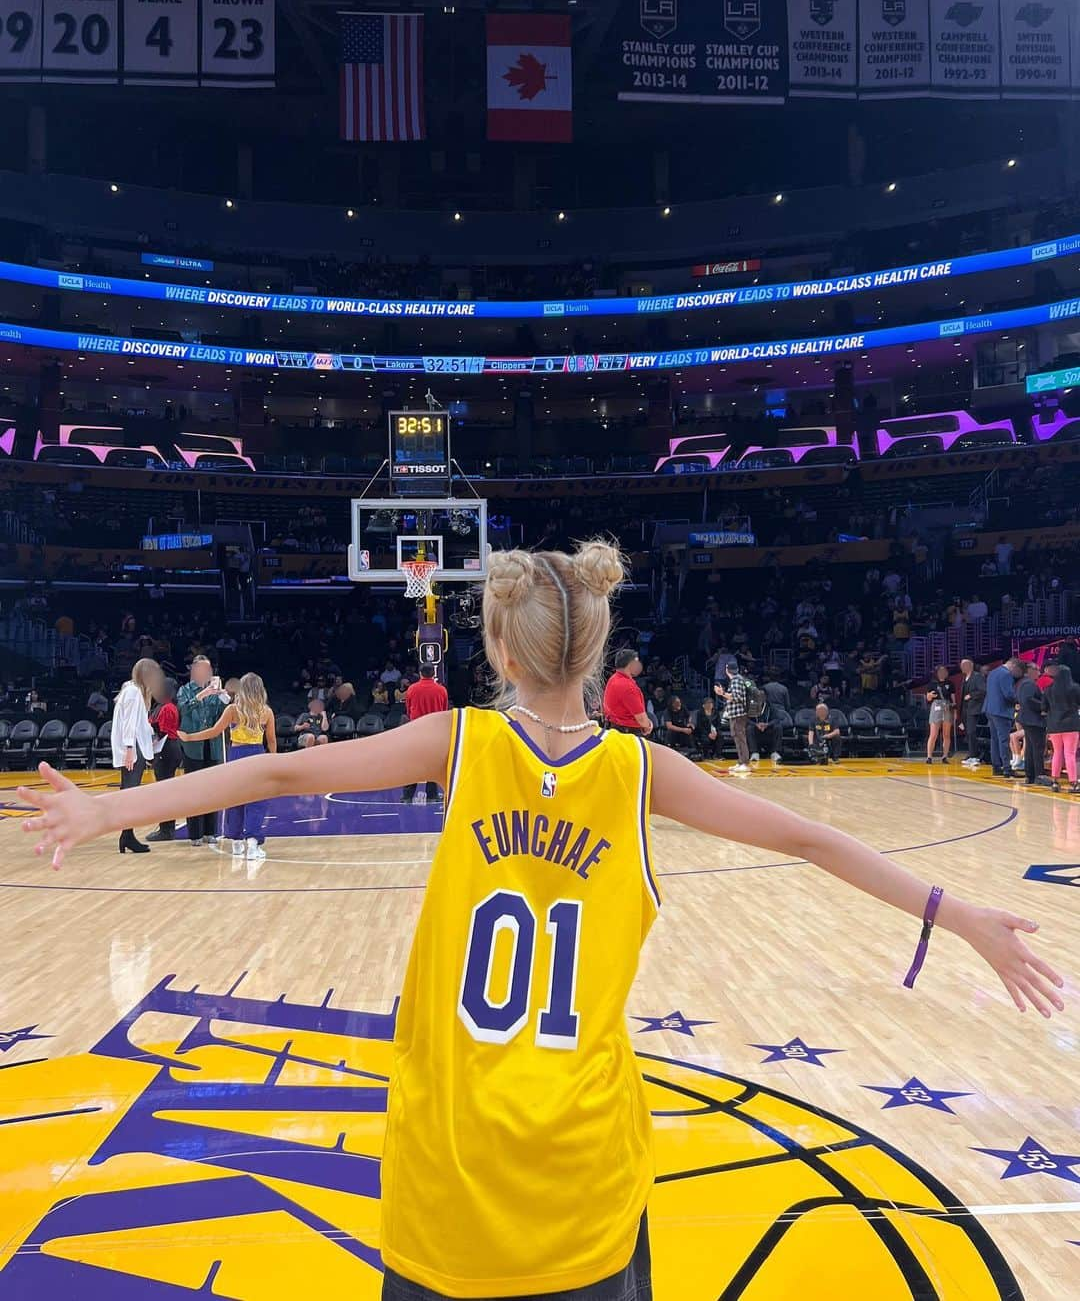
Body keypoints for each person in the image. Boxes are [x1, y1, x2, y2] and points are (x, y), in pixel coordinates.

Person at [17, 540, 1066, 1301]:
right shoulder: (643, 771)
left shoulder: (462, 745)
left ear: (501, 656)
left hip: (448, 1181)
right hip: (588, 1186)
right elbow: (811, 840)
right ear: (597, 650)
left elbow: (279, 764)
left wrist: (111, 806)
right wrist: (956, 912)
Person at [179, 672, 277, 860]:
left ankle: (237, 842)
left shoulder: (233, 709)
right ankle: (253, 844)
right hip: (257, 756)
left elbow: (214, 731)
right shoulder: (266, 712)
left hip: (236, 757)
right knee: (257, 802)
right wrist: (273, 761)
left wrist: (190, 737)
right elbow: (271, 741)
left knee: (235, 800)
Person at [111, 658, 165, 854]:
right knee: (130, 793)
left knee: (129, 793)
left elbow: (138, 723)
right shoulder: (134, 692)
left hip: (134, 747)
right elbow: (129, 724)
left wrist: (150, 735)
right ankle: (127, 836)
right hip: (132, 750)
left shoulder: (131, 689)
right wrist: (129, 749)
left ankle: (127, 835)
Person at [177, 656, 229, 846]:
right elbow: (183, 710)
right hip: (193, 747)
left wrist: (223, 695)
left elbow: (224, 712)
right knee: (194, 790)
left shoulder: (214, 691)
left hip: (212, 745)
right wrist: (201, 695)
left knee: (212, 791)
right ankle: (195, 834)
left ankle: (210, 831)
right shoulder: (184, 690)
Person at [401, 663, 448, 805]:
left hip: (416, 730)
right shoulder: (441, 690)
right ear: (433, 673)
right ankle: (432, 795)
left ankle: (407, 796)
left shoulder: (411, 689)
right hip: (434, 732)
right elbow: (444, 710)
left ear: (420, 673)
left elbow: (409, 710)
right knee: (433, 764)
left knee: (412, 763)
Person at [147, 677, 183, 842]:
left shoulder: (168, 708)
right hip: (166, 748)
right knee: (165, 789)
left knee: (165, 791)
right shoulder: (164, 706)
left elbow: (163, 731)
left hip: (166, 749)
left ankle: (166, 830)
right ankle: (166, 828)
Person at [986, 658, 1024, 778]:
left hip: (990, 709)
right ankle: (1007, 768)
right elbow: (1008, 694)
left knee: (994, 739)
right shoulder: (1006, 674)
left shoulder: (993, 672)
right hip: (1002, 711)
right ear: (1014, 667)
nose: (1017, 676)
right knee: (1003, 740)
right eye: (1018, 672)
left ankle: (996, 766)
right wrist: (1019, 700)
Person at [601, 648, 652, 736]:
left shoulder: (613, 679)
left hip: (615, 728)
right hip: (628, 733)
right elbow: (642, 720)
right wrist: (649, 725)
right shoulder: (627, 686)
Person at [1046, 663, 1080, 793]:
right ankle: (1073, 783)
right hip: (1071, 724)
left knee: (1057, 753)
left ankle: (1055, 782)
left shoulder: (1049, 689)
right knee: (1070, 754)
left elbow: (1044, 708)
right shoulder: (1075, 688)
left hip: (1054, 725)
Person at [1016, 662, 1048, 787]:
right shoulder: (1029, 684)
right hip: (1033, 720)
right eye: (1037, 670)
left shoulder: (1023, 683)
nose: (1039, 673)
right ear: (1029, 670)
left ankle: (1030, 775)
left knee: (1030, 748)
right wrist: (1043, 707)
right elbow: (1029, 700)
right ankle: (1039, 775)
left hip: (1027, 719)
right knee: (1037, 748)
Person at [716, 660, 751, 774]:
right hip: (737, 714)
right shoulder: (738, 679)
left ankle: (745, 763)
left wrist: (722, 694)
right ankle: (741, 762)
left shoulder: (736, 680)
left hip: (738, 714)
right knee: (738, 737)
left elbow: (736, 697)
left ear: (727, 670)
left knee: (740, 738)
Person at [958, 658, 986, 768]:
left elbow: (983, 690)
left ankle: (975, 756)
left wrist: (971, 695)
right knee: (968, 733)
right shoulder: (965, 678)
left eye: (964, 665)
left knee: (972, 732)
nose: (961, 667)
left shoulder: (977, 677)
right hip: (966, 709)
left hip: (974, 709)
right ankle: (971, 754)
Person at [925, 666, 954, 765]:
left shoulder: (950, 684)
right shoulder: (932, 684)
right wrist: (929, 696)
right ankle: (929, 756)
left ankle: (945, 756)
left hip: (947, 707)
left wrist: (955, 710)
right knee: (933, 734)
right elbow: (928, 698)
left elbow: (952, 698)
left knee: (946, 734)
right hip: (936, 706)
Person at [750, 697, 783, 767]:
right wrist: (756, 725)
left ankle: (775, 752)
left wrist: (767, 725)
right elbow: (747, 720)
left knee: (778, 727)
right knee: (749, 728)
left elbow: (777, 719)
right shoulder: (751, 706)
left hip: (768, 729)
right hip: (756, 730)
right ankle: (754, 753)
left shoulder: (771, 706)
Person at [692, 696, 720, 760]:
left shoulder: (716, 712)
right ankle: (706, 755)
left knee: (720, 737)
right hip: (704, 732)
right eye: (708, 703)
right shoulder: (700, 713)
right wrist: (708, 734)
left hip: (714, 731)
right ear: (704, 705)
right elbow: (700, 726)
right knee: (705, 739)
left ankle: (717, 755)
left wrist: (715, 732)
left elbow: (719, 724)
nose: (710, 705)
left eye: (711, 703)